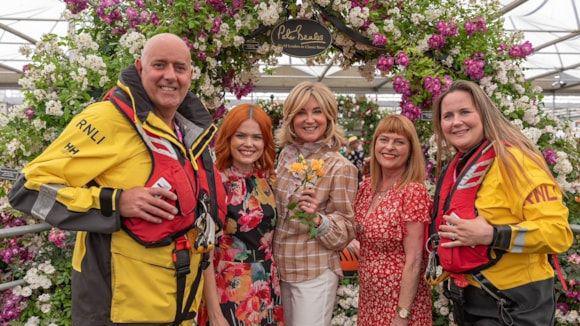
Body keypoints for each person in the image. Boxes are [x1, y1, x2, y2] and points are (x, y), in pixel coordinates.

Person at [9, 33, 226, 325]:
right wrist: (115, 201)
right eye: (159, 65)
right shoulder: (107, 120)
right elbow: (29, 188)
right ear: (140, 68)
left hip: (176, 308)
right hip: (116, 311)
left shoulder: (188, 132)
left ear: (191, 74)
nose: (170, 76)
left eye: (180, 67)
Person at [429, 80, 573, 325]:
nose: (456, 122)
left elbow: (558, 234)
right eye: (448, 116)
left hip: (515, 304)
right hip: (471, 301)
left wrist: (493, 235)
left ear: (484, 114)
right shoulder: (460, 166)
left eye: (465, 112)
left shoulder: (516, 162)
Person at [273, 81, 358, 326]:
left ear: (329, 117)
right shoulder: (285, 158)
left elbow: (345, 232)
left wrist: (318, 219)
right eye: (301, 112)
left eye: (317, 111)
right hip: (279, 268)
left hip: (313, 272)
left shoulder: (339, 166)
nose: (309, 119)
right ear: (290, 118)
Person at [202, 104, 283, 325]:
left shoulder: (268, 180)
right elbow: (205, 252)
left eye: (257, 137)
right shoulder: (214, 181)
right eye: (241, 136)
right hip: (228, 286)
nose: (249, 144)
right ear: (228, 137)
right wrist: (215, 311)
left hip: (266, 283)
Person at [354, 115, 432, 325]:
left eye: (399, 142)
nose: (389, 147)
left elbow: (415, 259)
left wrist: (402, 314)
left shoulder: (413, 191)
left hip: (400, 304)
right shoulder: (367, 188)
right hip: (370, 300)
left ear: (410, 150)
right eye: (384, 139)